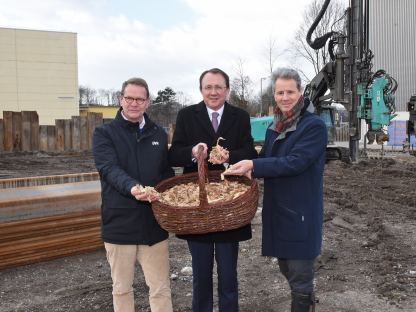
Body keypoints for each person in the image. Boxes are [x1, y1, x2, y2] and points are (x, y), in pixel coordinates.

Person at [225, 68, 327, 312]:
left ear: (301, 92)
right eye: (280, 92)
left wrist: (254, 165)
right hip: (280, 211)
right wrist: (242, 163)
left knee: (300, 275)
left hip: (301, 212)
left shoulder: (313, 126)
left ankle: (305, 304)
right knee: (287, 269)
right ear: (274, 94)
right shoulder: (277, 125)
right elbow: (268, 159)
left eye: (290, 91)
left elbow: (295, 162)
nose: (285, 97)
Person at [169, 68, 258, 311]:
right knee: (201, 276)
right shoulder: (187, 115)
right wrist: (192, 152)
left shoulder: (239, 116)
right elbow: (174, 154)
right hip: (198, 205)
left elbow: (249, 151)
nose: (213, 92)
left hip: (231, 205)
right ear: (201, 90)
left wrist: (229, 156)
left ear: (227, 90)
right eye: (208, 87)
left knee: (229, 276)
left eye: (219, 87)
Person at [92, 77, 174, 312]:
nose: (134, 103)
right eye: (129, 98)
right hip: (119, 223)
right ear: (120, 99)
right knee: (122, 289)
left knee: (160, 288)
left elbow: (165, 172)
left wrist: (171, 196)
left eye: (140, 99)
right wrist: (133, 187)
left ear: (148, 103)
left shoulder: (158, 133)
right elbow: (108, 169)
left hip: (153, 225)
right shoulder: (104, 133)